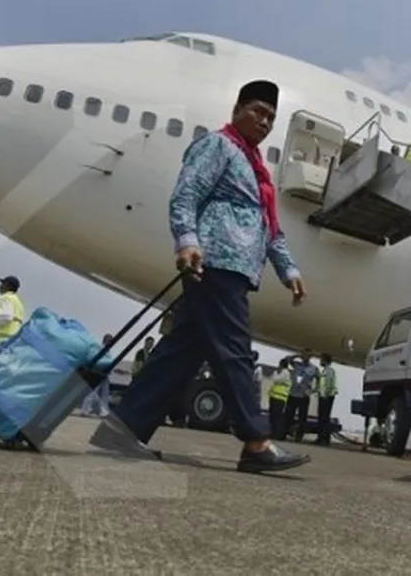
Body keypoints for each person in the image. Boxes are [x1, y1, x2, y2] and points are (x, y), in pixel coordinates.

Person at [89, 79, 310, 473]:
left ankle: (122, 430)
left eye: (271, 117)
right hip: (216, 262)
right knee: (236, 351)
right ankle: (256, 442)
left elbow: (268, 227)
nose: (264, 122)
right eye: (257, 111)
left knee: (181, 354)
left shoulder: (254, 166)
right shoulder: (219, 146)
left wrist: (288, 269)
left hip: (236, 269)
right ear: (237, 109)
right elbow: (186, 193)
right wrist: (186, 241)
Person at [285, 353, 317, 442]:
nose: (305, 358)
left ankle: (299, 437)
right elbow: (287, 359)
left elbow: (319, 379)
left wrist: (313, 390)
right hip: (293, 394)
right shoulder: (296, 364)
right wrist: (297, 355)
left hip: (304, 395)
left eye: (307, 356)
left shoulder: (313, 368)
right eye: (304, 356)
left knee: (302, 418)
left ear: (310, 357)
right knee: (288, 416)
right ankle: (284, 432)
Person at [316, 353, 339, 446]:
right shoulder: (324, 371)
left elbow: (329, 384)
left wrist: (325, 395)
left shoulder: (329, 371)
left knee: (324, 418)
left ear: (325, 360)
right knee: (321, 418)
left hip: (327, 397)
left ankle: (324, 439)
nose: (320, 361)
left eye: (321, 359)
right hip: (323, 396)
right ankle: (321, 437)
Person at [268, 357, 292, 440]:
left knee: (276, 417)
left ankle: (277, 434)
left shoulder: (285, 373)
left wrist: (275, 372)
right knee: (273, 416)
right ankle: (273, 433)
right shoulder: (282, 372)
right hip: (275, 396)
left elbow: (275, 379)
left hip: (279, 397)